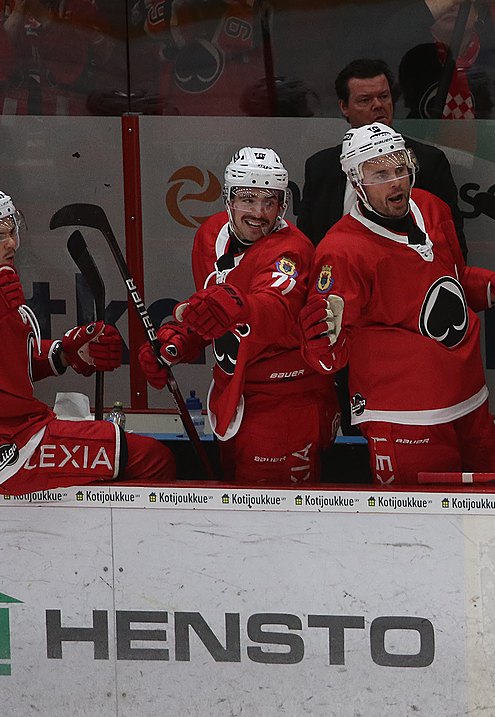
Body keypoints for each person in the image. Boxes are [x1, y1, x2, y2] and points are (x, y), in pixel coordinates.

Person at [302, 123, 495, 485]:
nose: (396, 182)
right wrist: (321, 342)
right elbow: (329, 353)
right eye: (380, 174)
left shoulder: (432, 208)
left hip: (469, 398)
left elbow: (452, 282)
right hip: (404, 417)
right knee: (420, 533)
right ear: (355, 182)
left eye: (401, 168)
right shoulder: (340, 251)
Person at [135, 147, 336, 485]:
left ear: (282, 205)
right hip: (233, 395)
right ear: (228, 199)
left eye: (269, 201)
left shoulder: (292, 249)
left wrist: (233, 304)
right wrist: (179, 340)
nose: (259, 213)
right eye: (248, 199)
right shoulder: (210, 235)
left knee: (278, 523)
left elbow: (275, 309)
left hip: (287, 404)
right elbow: (209, 310)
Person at [0, 190, 173, 495]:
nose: (11, 243)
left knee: (153, 455)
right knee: (153, 459)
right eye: (0, 235)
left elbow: (11, 365)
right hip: (12, 447)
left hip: (24, 431)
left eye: (11, 230)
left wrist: (65, 354)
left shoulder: (6, 287)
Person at [298, 59, 465, 252]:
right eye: (365, 100)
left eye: (384, 96)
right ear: (344, 107)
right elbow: (307, 245)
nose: (378, 105)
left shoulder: (428, 162)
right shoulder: (320, 167)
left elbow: (453, 246)